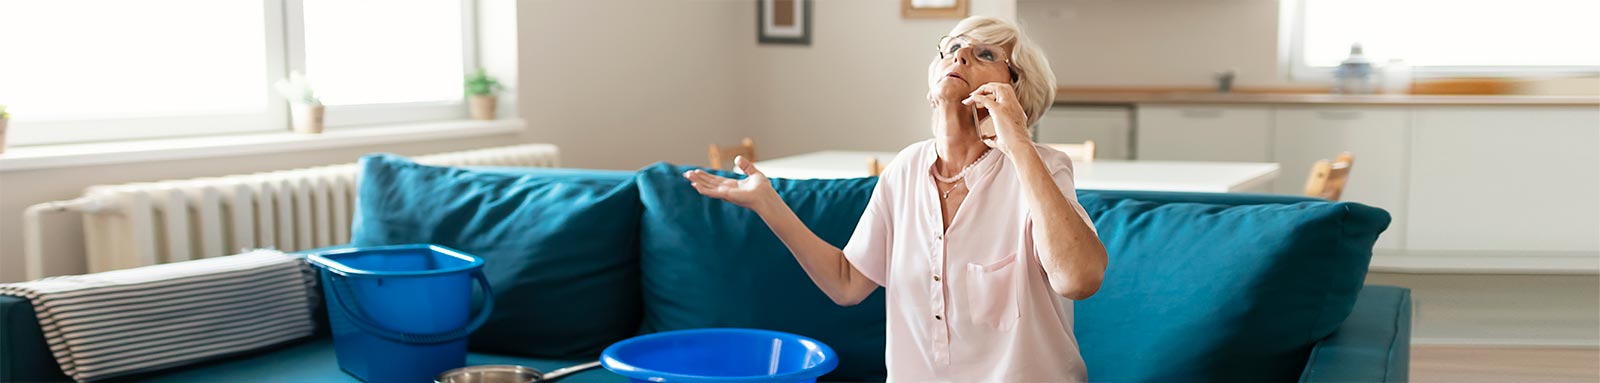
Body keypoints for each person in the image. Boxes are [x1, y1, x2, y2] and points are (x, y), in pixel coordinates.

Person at [682, 15, 1106, 382]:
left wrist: (1016, 140)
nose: (960, 57)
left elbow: (1079, 279)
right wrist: (767, 203)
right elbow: (847, 283)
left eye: (986, 55)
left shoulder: (1042, 167)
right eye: (953, 48)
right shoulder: (905, 170)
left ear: (1018, 91)